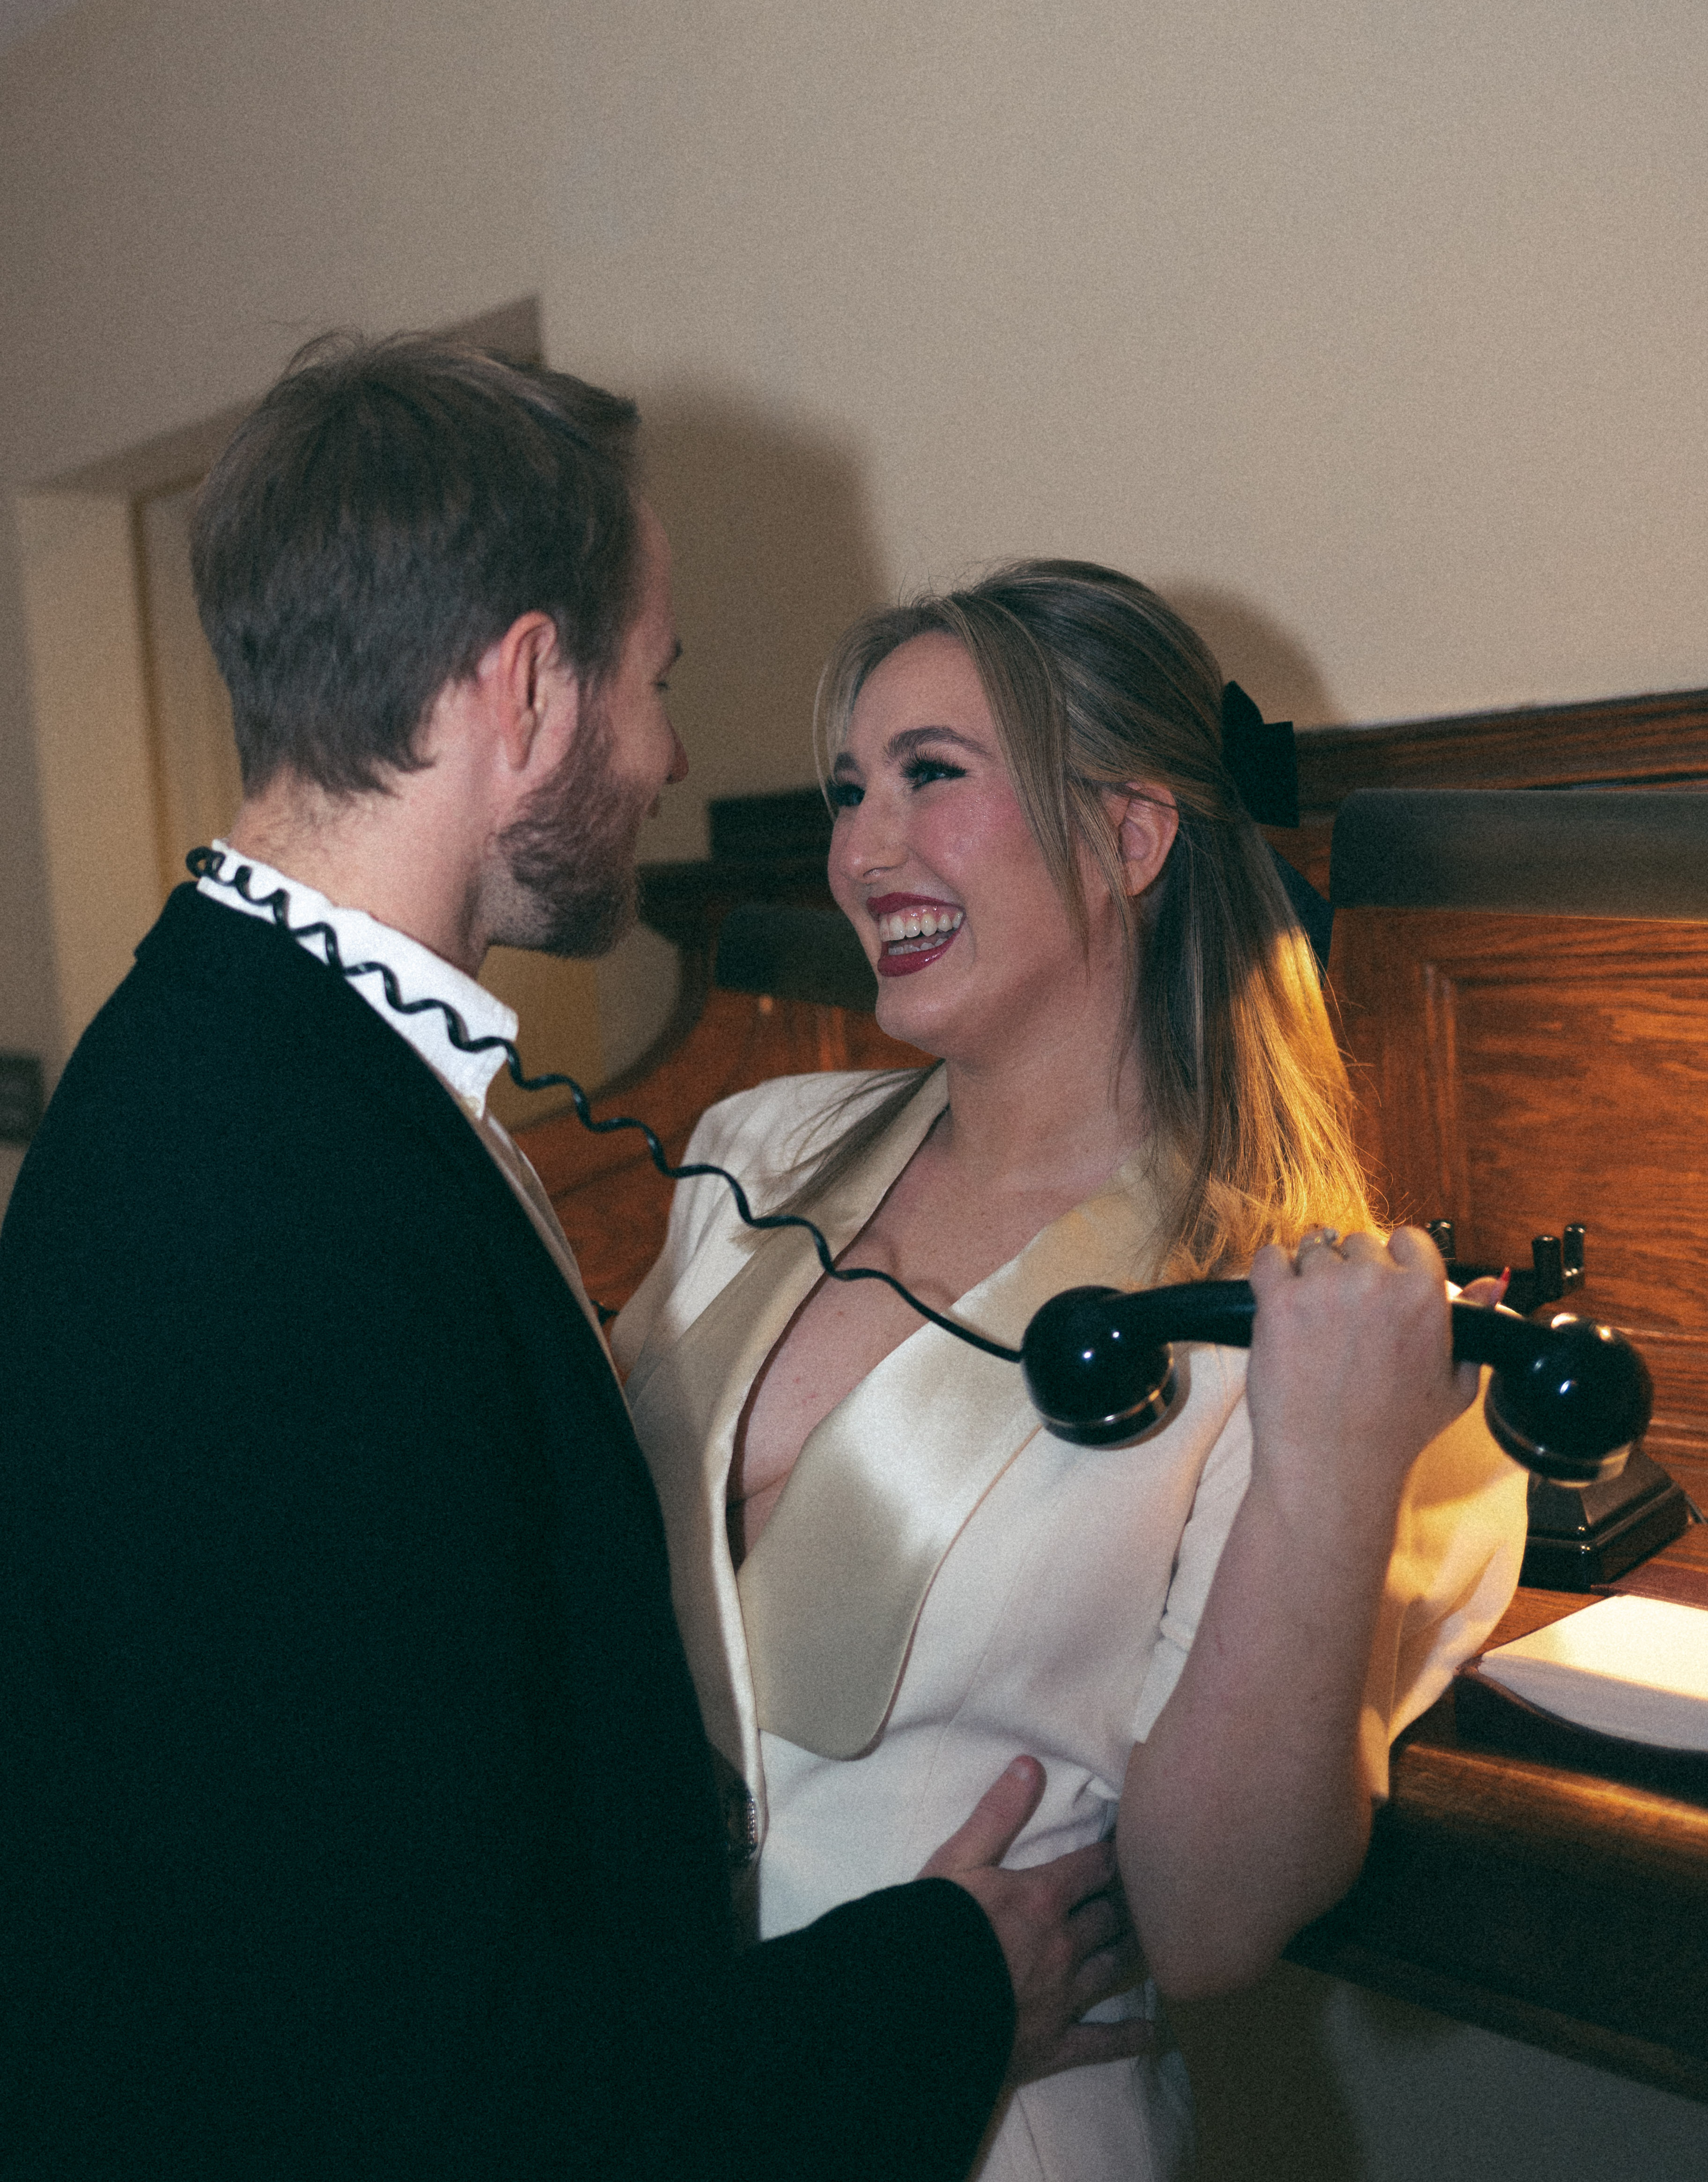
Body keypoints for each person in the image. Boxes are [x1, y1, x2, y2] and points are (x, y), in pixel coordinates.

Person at [0, 342, 1146, 2182]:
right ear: (531, 686)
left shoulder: (247, 1060)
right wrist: (943, 1986)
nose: (670, 754)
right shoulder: (276, 1198)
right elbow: (439, 2081)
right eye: (653, 681)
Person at [613, 562, 1531, 2182]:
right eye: (848, 790)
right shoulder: (751, 1152)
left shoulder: (1291, 1325)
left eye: (931, 775)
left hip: (983, 2129)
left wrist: (1331, 1467)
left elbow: (1211, 1921)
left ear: (1131, 835)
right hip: (667, 2088)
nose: (860, 851)